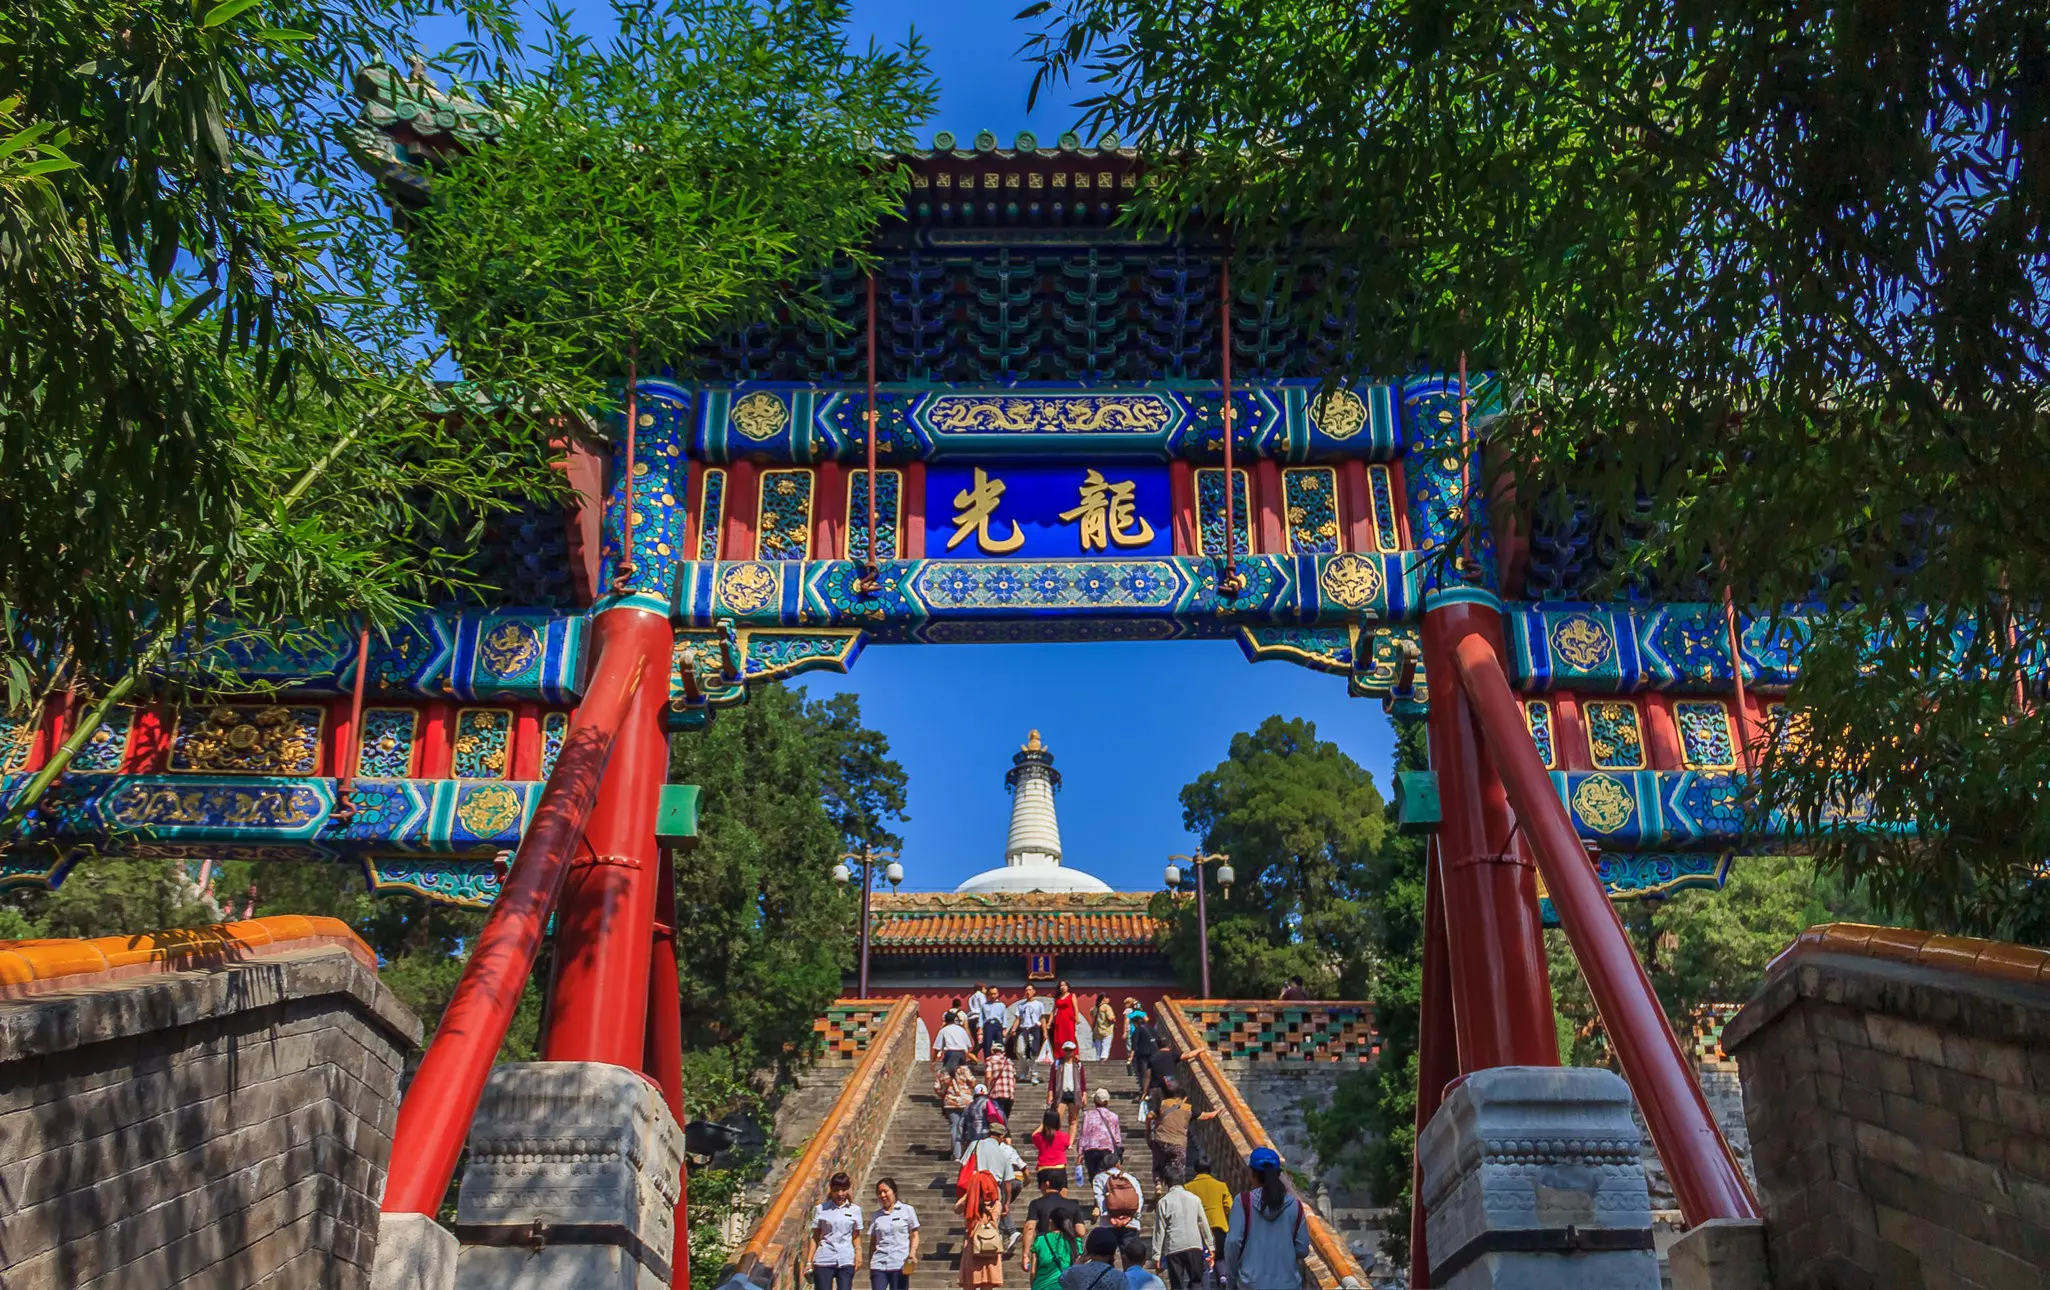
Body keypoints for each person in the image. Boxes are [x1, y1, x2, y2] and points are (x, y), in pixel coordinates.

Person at [1221, 1148, 1309, 1290]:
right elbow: (1303, 1249)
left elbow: (1232, 1244)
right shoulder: (1294, 1205)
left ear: (1252, 1173)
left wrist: (1232, 1282)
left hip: (1250, 1284)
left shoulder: (1243, 1202)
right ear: (1279, 1174)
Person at [1148, 1163, 1212, 1290]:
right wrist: (1210, 1246)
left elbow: (1159, 1231)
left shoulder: (1163, 1202)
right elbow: (1203, 1224)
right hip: (1194, 1245)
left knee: (1177, 1285)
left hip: (1174, 1247)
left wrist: (1156, 1255)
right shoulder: (1194, 1199)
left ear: (1166, 1182)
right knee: (1196, 1282)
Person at [966, 1122, 1028, 1246]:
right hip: (995, 1189)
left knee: (975, 1219)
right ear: (1001, 1136)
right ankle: (998, 1240)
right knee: (994, 1219)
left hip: (976, 1186)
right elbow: (1008, 1181)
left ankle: (974, 1244)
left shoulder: (975, 1144)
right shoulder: (1003, 1152)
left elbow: (964, 1166)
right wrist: (1006, 1202)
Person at [1144, 1080, 1216, 1185]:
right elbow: (1208, 1116)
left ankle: (1158, 1186)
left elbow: (1149, 1116)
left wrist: (1148, 1130)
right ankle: (1175, 1186)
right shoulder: (1188, 1108)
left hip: (1160, 1140)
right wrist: (1218, 1111)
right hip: (1178, 1143)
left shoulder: (1164, 1103)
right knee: (1178, 1168)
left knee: (1158, 1165)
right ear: (1185, 1098)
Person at [1021, 1168, 1082, 1289]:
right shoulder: (1073, 1204)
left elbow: (1029, 1228)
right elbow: (1081, 1231)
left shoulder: (1036, 1204)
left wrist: (1025, 1254)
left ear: (1047, 1183)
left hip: (1043, 1248)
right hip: (1067, 1251)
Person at [957, 1158, 1006, 1289]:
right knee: (988, 1284)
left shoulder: (970, 1204)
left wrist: (969, 1194)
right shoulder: (997, 1204)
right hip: (992, 1245)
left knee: (970, 1283)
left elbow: (956, 1208)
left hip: (974, 1245)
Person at [811, 1171, 864, 1290]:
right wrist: (809, 1262)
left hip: (846, 1258)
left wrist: (858, 1253)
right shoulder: (821, 1209)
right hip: (824, 1258)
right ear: (831, 1189)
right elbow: (815, 1237)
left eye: (843, 1190)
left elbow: (856, 1235)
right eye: (836, 1190)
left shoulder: (855, 1210)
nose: (840, 1194)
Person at [868, 1177, 921, 1290]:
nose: (882, 1195)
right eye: (879, 1193)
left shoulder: (907, 1210)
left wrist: (912, 1253)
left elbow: (915, 1234)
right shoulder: (876, 1216)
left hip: (900, 1264)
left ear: (894, 1191)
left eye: (885, 1191)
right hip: (879, 1264)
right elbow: (873, 1242)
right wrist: (870, 1264)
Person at [1183, 1159, 1232, 1265]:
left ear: (1195, 1170)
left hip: (1198, 1230)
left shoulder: (1188, 1188)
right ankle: (1223, 1277)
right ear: (1210, 1169)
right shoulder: (1221, 1185)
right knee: (1220, 1258)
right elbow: (1229, 1207)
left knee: (1203, 1262)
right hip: (1219, 1227)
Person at [1076, 1088, 1123, 1186]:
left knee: (1093, 1177)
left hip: (1091, 1149)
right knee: (1106, 1176)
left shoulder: (1088, 1115)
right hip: (1107, 1149)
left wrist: (1080, 1152)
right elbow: (1117, 1138)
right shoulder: (1113, 1116)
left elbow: (1083, 1134)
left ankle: (1097, 1196)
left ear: (1095, 1101)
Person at [1058, 1227, 1125, 1290]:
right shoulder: (1119, 1277)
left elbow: (1062, 1280)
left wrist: (1080, 1261)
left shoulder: (1076, 1271)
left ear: (1088, 1248)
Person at [1091, 1155, 1144, 1229]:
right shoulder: (1129, 1177)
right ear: (1118, 1164)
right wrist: (1136, 1213)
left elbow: (1099, 1197)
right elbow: (1139, 1196)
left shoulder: (1099, 1178)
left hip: (1108, 1223)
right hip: (1131, 1223)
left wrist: (1107, 1214)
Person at [1047, 1041, 1089, 1132]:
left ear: (1073, 1051)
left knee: (1073, 1121)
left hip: (1074, 1093)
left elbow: (1082, 1081)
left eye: (1070, 1050)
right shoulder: (1057, 1064)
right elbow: (1052, 1080)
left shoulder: (1078, 1065)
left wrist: (1084, 1094)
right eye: (1066, 1050)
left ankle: (1069, 1144)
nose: (1068, 1052)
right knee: (1057, 1120)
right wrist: (1050, 1094)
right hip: (1061, 1093)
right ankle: (1057, 1140)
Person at [943, 1063, 979, 1160]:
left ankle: (956, 1155)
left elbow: (938, 1087)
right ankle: (966, 1153)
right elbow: (973, 1083)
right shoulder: (964, 1069)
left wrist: (945, 1095)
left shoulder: (944, 1070)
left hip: (950, 1102)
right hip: (965, 1101)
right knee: (966, 1127)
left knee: (955, 1127)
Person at [1014, 985, 1049, 1080]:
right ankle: (1024, 1071)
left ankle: (1034, 1073)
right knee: (1020, 1051)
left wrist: (1045, 1032)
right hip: (1023, 1030)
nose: (1028, 992)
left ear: (1034, 991)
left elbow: (1042, 1018)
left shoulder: (1039, 1004)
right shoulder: (1020, 1005)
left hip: (1034, 1029)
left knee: (1033, 1052)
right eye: (1026, 990)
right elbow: (1018, 1019)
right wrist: (1013, 1029)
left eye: (1030, 990)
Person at [1030, 1107, 1071, 1188]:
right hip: (1059, 1168)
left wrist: (1043, 1124)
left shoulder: (1039, 1137)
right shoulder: (1063, 1136)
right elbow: (1066, 1145)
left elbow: (1033, 1135)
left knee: (1046, 1199)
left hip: (1043, 1168)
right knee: (1061, 1199)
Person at [964, 1082, 1004, 1160]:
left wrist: (961, 1137)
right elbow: (1000, 1116)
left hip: (972, 1134)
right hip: (987, 1133)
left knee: (974, 1157)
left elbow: (961, 1123)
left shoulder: (969, 1106)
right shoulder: (991, 1103)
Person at [985, 1038, 1020, 1123]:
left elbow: (988, 1076)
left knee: (998, 1120)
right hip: (1009, 1094)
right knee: (1004, 1119)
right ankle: (1005, 1134)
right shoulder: (1009, 1061)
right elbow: (1014, 1079)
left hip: (997, 1093)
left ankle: (1003, 1134)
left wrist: (986, 1086)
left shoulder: (990, 1060)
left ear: (992, 1051)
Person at [1126, 1012, 1158, 1093]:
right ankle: (1150, 1090)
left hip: (1143, 1054)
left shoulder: (1138, 1030)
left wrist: (1131, 1057)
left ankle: (1144, 1091)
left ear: (1135, 1023)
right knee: (1152, 1072)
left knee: (1143, 1072)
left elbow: (1134, 1045)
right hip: (1154, 1053)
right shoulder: (1151, 1028)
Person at [936, 1011, 978, 1075]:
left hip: (950, 1053)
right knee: (962, 1073)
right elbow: (969, 1045)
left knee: (948, 1074)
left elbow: (937, 1047)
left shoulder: (943, 1030)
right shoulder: (962, 1030)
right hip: (961, 1053)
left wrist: (933, 1060)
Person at [1139, 1041, 1178, 1108]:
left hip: (1155, 1087)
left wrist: (1145, 1092)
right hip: (1170, 1085)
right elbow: (1188, 1055)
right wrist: (1200, 1049)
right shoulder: (1173, 1055)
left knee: (1157, 1109)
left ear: (1157, 1046)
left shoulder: (1153, 1058)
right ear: (1169, 1045)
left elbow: (1147, 1076)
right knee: (1171, 1107)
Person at [1049, 981, 1080, 1057]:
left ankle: (1073, 1054)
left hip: (1069, 1019)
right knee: (1059, 1037)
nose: (1063, 987)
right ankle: (1060, 1055)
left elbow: (1076, 1008)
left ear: (1068, 987)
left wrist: (1077, 1017)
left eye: (1065, 985)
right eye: (1061, 986)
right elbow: (1053, 1011)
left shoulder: (1072, 995)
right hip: (1059, 1019)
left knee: (1070, 1036)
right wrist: (1049, 1022)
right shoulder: (1057, 998)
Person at [981, 986, 1010, 1059]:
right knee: (987, 1045)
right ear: (988, 994)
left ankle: (998, 1062)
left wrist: (1004, 1029)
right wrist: (980, 1028)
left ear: (998, 994)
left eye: (994, 993)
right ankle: (987, 1062)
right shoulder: (984, 1005)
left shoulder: (1002, 1005)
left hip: (998, 1025)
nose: (993, 996)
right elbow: (981, 1018)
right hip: (988, 1025)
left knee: (999, 1045)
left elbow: (1004, 1018)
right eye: (991, 994)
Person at [1091, 996, 1118, 1062]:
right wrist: (1114, 1019)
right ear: (1104, 999)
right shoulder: (1106, 1007)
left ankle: (1097, 1061)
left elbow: (1092, 1015)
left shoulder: (1094, 1008)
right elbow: (1110, 1018)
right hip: (1106, 1030)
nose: (1109, 999)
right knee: (1106, 1046)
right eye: (1108, 998)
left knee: (1098, 1049)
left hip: (1097, 1030)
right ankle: (1103, 1060)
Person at [968, 982, 990, 1050]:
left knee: (976, 1040)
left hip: (971, 1018)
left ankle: (973, 1057)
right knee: (982, 1039)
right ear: (981, 988)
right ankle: (973, 1054)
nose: (986, 990)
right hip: (978, 1018)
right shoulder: (980, 995)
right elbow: (984, 1007)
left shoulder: (971, 997)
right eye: (985, 988)